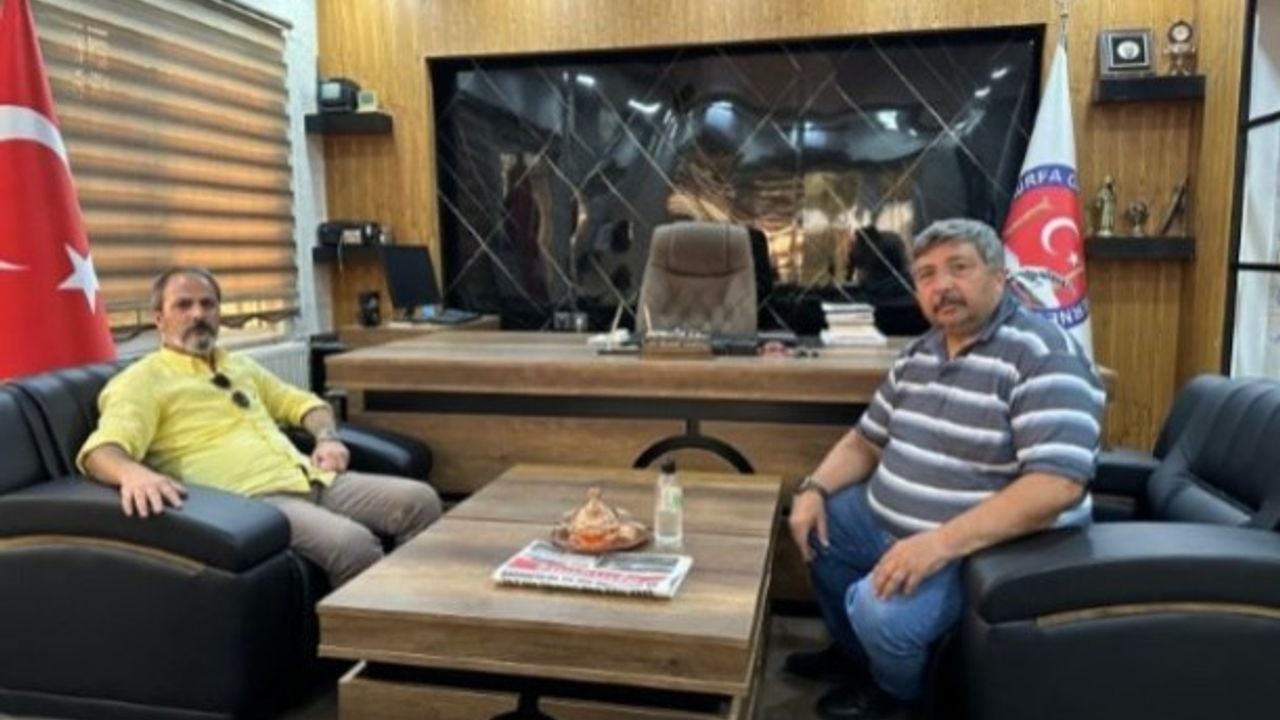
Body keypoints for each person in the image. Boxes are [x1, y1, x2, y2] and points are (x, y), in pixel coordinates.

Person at [784, 218, 1104, 719]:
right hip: (890, 524)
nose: (942, 286)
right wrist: (814, 488)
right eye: (927, 275)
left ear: (998, 276)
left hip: (978, 549)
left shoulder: (1043, 354)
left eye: (959, 268)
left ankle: (898, 695)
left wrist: (938, 544)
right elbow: (865, 440)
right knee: (820, 523)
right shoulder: (919, 353)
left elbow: (1056, 485)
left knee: (879, 614)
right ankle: (855, 655)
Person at [77, 266, 442, 588]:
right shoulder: (141, 381)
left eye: (207, 304)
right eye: (183, 305)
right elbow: (101, 450)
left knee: (420, 501)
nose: (198, 314)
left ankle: (423, 605)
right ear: (159, 319)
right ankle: (381, 639)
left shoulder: (239, 366)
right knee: (354, 544)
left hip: (310, 477)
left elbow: (303, 404)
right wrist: (133, 474)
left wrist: (327, 438)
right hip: (254, 502)